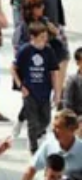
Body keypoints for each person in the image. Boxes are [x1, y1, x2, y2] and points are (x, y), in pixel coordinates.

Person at [14, 22, 61, 153]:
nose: (44, 40)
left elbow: (54, 72)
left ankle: (25, 122)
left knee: (45, 120)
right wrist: (20, 85)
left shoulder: (48, 51)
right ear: (32, 37)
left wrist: (57, 93)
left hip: (45, 92)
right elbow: (14, 68)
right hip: (30, 91)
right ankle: (33, 146)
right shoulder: (25, 50)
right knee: (33, 121)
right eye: (41, 37)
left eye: (45, 37)